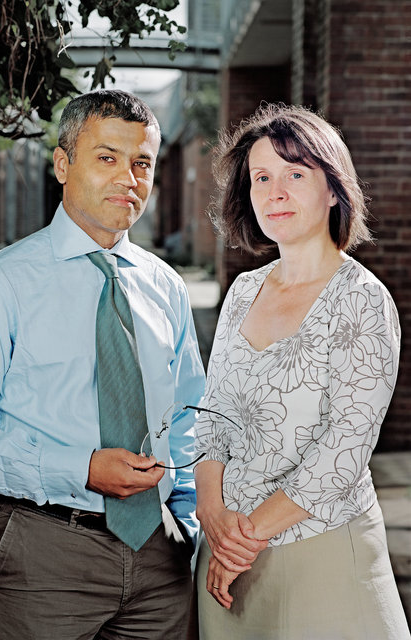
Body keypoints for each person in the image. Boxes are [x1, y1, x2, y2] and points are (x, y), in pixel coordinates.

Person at [0, 89, 206, 640]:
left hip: (160, 556)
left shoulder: (165, 286)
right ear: (62, 164)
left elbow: (190, 414)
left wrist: (188, 522)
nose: (128, 177)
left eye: (141, 162)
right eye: (107, 157)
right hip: (40, 557)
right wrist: (80, 469)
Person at [193, 103, 410, 639]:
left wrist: (243, 540)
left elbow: (344, 449)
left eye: (295, 174)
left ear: (334, 188)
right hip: (226, 560)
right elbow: (212, 417)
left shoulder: (362, 300)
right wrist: (211, 514)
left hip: (321, 553)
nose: (275, 192)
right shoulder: (244, 292)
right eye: (261, 177)